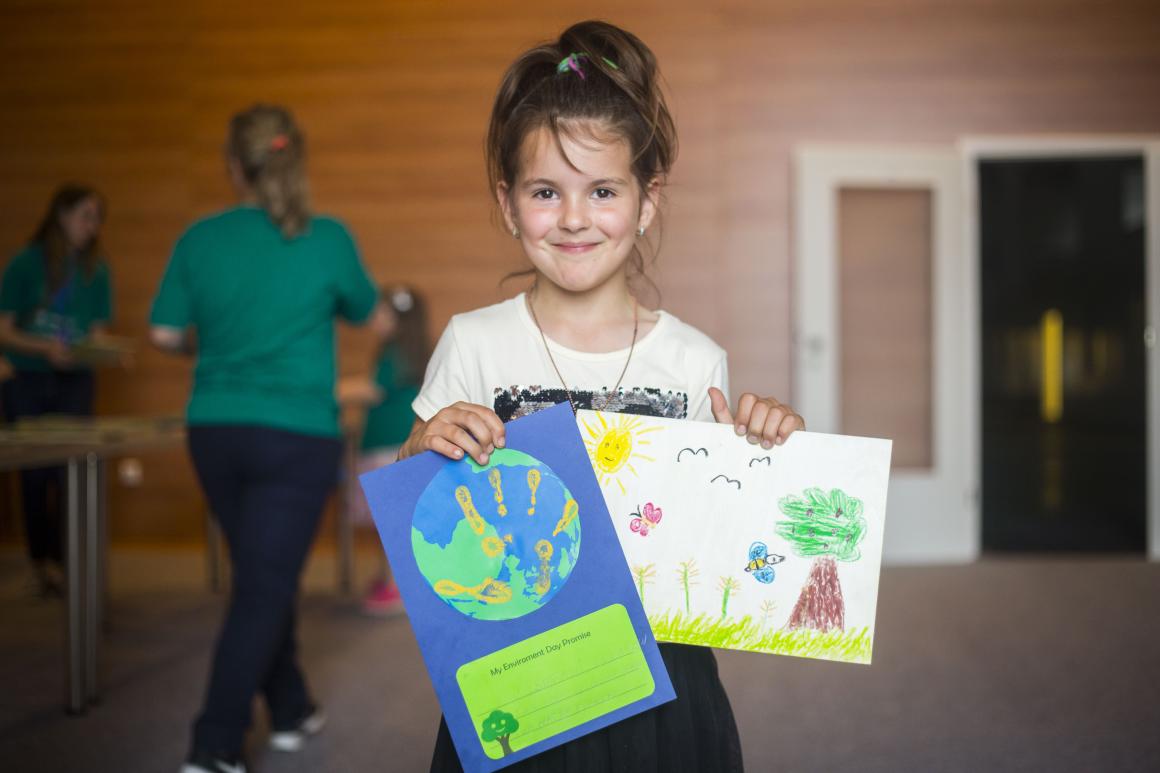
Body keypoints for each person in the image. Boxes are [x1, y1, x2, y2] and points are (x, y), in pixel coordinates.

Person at [401, 20, 805, 772]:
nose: (574, 217)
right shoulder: (472, 342)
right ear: (508, 203)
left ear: (647, 201)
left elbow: (726, 550)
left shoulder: (693, 359)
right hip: (518, 671)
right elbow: (417, 503)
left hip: (660, 679)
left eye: (604, 190)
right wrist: (427, 444)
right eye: (545, 191)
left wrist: (765, 453)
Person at [149, 104, 383, 773]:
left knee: (261, 573)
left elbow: (164, 333)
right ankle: (215, 744)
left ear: (234, 166)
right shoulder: (327, 237)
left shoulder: (199, 238)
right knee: (264, 584)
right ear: (295, 159)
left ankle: (290, 706)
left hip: (215, 430)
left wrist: (220, 346)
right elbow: (369, 312)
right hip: (296, 435)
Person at [0, 185, 113, 597]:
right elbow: (4, 329)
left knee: (73, 473)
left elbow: (97, 332)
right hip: (28, 380)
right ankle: (39, 563)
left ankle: (70, 564)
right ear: (62, 215)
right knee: (34, 474)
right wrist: (44, 349)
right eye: (86, 215)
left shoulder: (97, 270)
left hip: (75, 380)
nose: (92, 226)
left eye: (97, 218)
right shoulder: (25, 264)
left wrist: (98, 351)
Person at [350, 284, 430, 615]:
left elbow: (371, 389)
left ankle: (398, 585)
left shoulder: (395, 354)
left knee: (392, 523)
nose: (375, 318)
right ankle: (392, 580)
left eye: (382, 312)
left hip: (389, 449)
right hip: (389, 446)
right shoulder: (407, 352)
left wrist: (325, 389)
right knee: (393, 522)